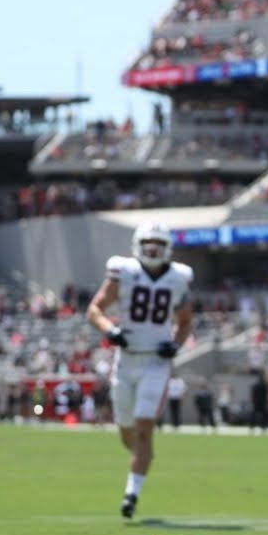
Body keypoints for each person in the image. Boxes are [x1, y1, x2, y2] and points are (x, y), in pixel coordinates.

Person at [86, 221, 194, 519]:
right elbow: (95, 309)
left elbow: (185, 321)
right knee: (126, 433)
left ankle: (130, 495)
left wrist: (176, 344)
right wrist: (110, 330)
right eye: (147, 242)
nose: (152, 249)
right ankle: (141, 457)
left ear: (167, 248)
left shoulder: (178, 278)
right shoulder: (124, 272)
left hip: (156, 363)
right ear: (137, 244)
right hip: (126, 359)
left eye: (158, 244)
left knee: (144, 428)